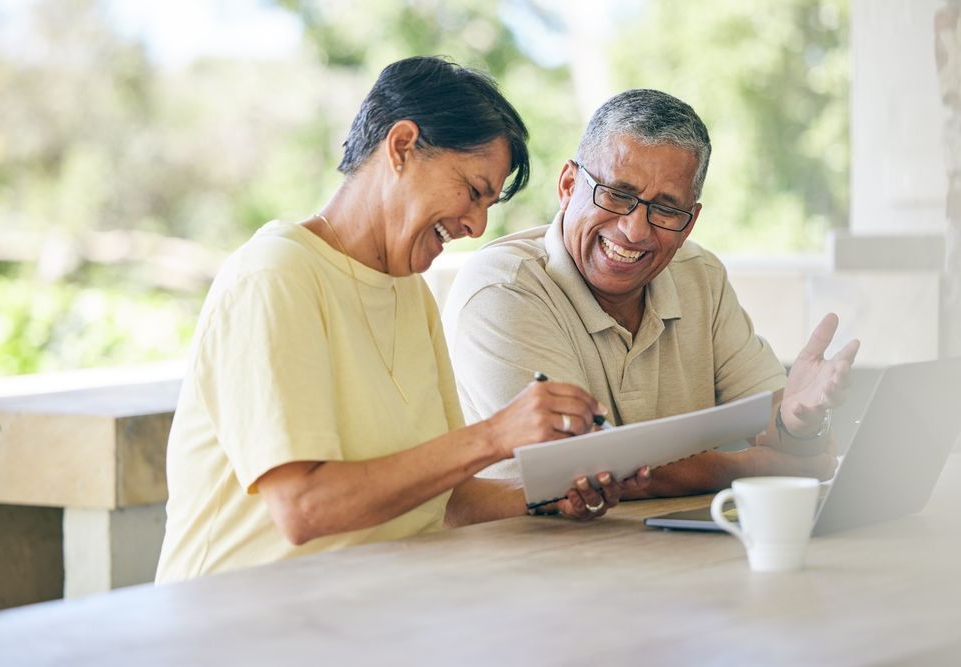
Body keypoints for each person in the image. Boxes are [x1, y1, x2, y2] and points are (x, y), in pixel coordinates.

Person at [156, 57, 646, 584]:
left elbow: (445, 502)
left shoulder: (411, 293)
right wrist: (495, 436)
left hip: (365, 617)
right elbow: (303, 509)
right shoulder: (276, 276)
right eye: (474, 191)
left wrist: (551, 498)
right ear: (402, 146)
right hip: (234, 630)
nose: (477, 225)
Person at [442, 88, 860, 495]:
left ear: (690, 221)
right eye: (617, 194)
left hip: (667, 551)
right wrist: (751, 468)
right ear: (569, 185)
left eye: (665, 208)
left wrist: (795, 422)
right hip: (528, 555)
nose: (634, 230)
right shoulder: (503, 287)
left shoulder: (700, 276)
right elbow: (577, 467)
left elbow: (781, 439)